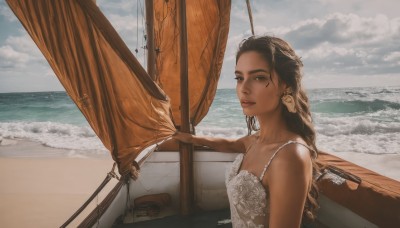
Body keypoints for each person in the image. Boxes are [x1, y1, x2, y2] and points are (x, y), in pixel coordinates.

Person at [173, 35, 319, 228]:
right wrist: (191, 138)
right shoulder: (256, 140)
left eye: (259, 77)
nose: (244, 88)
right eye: (240, 78)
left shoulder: (289, 156)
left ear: (286, 85)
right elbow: (229, 144)